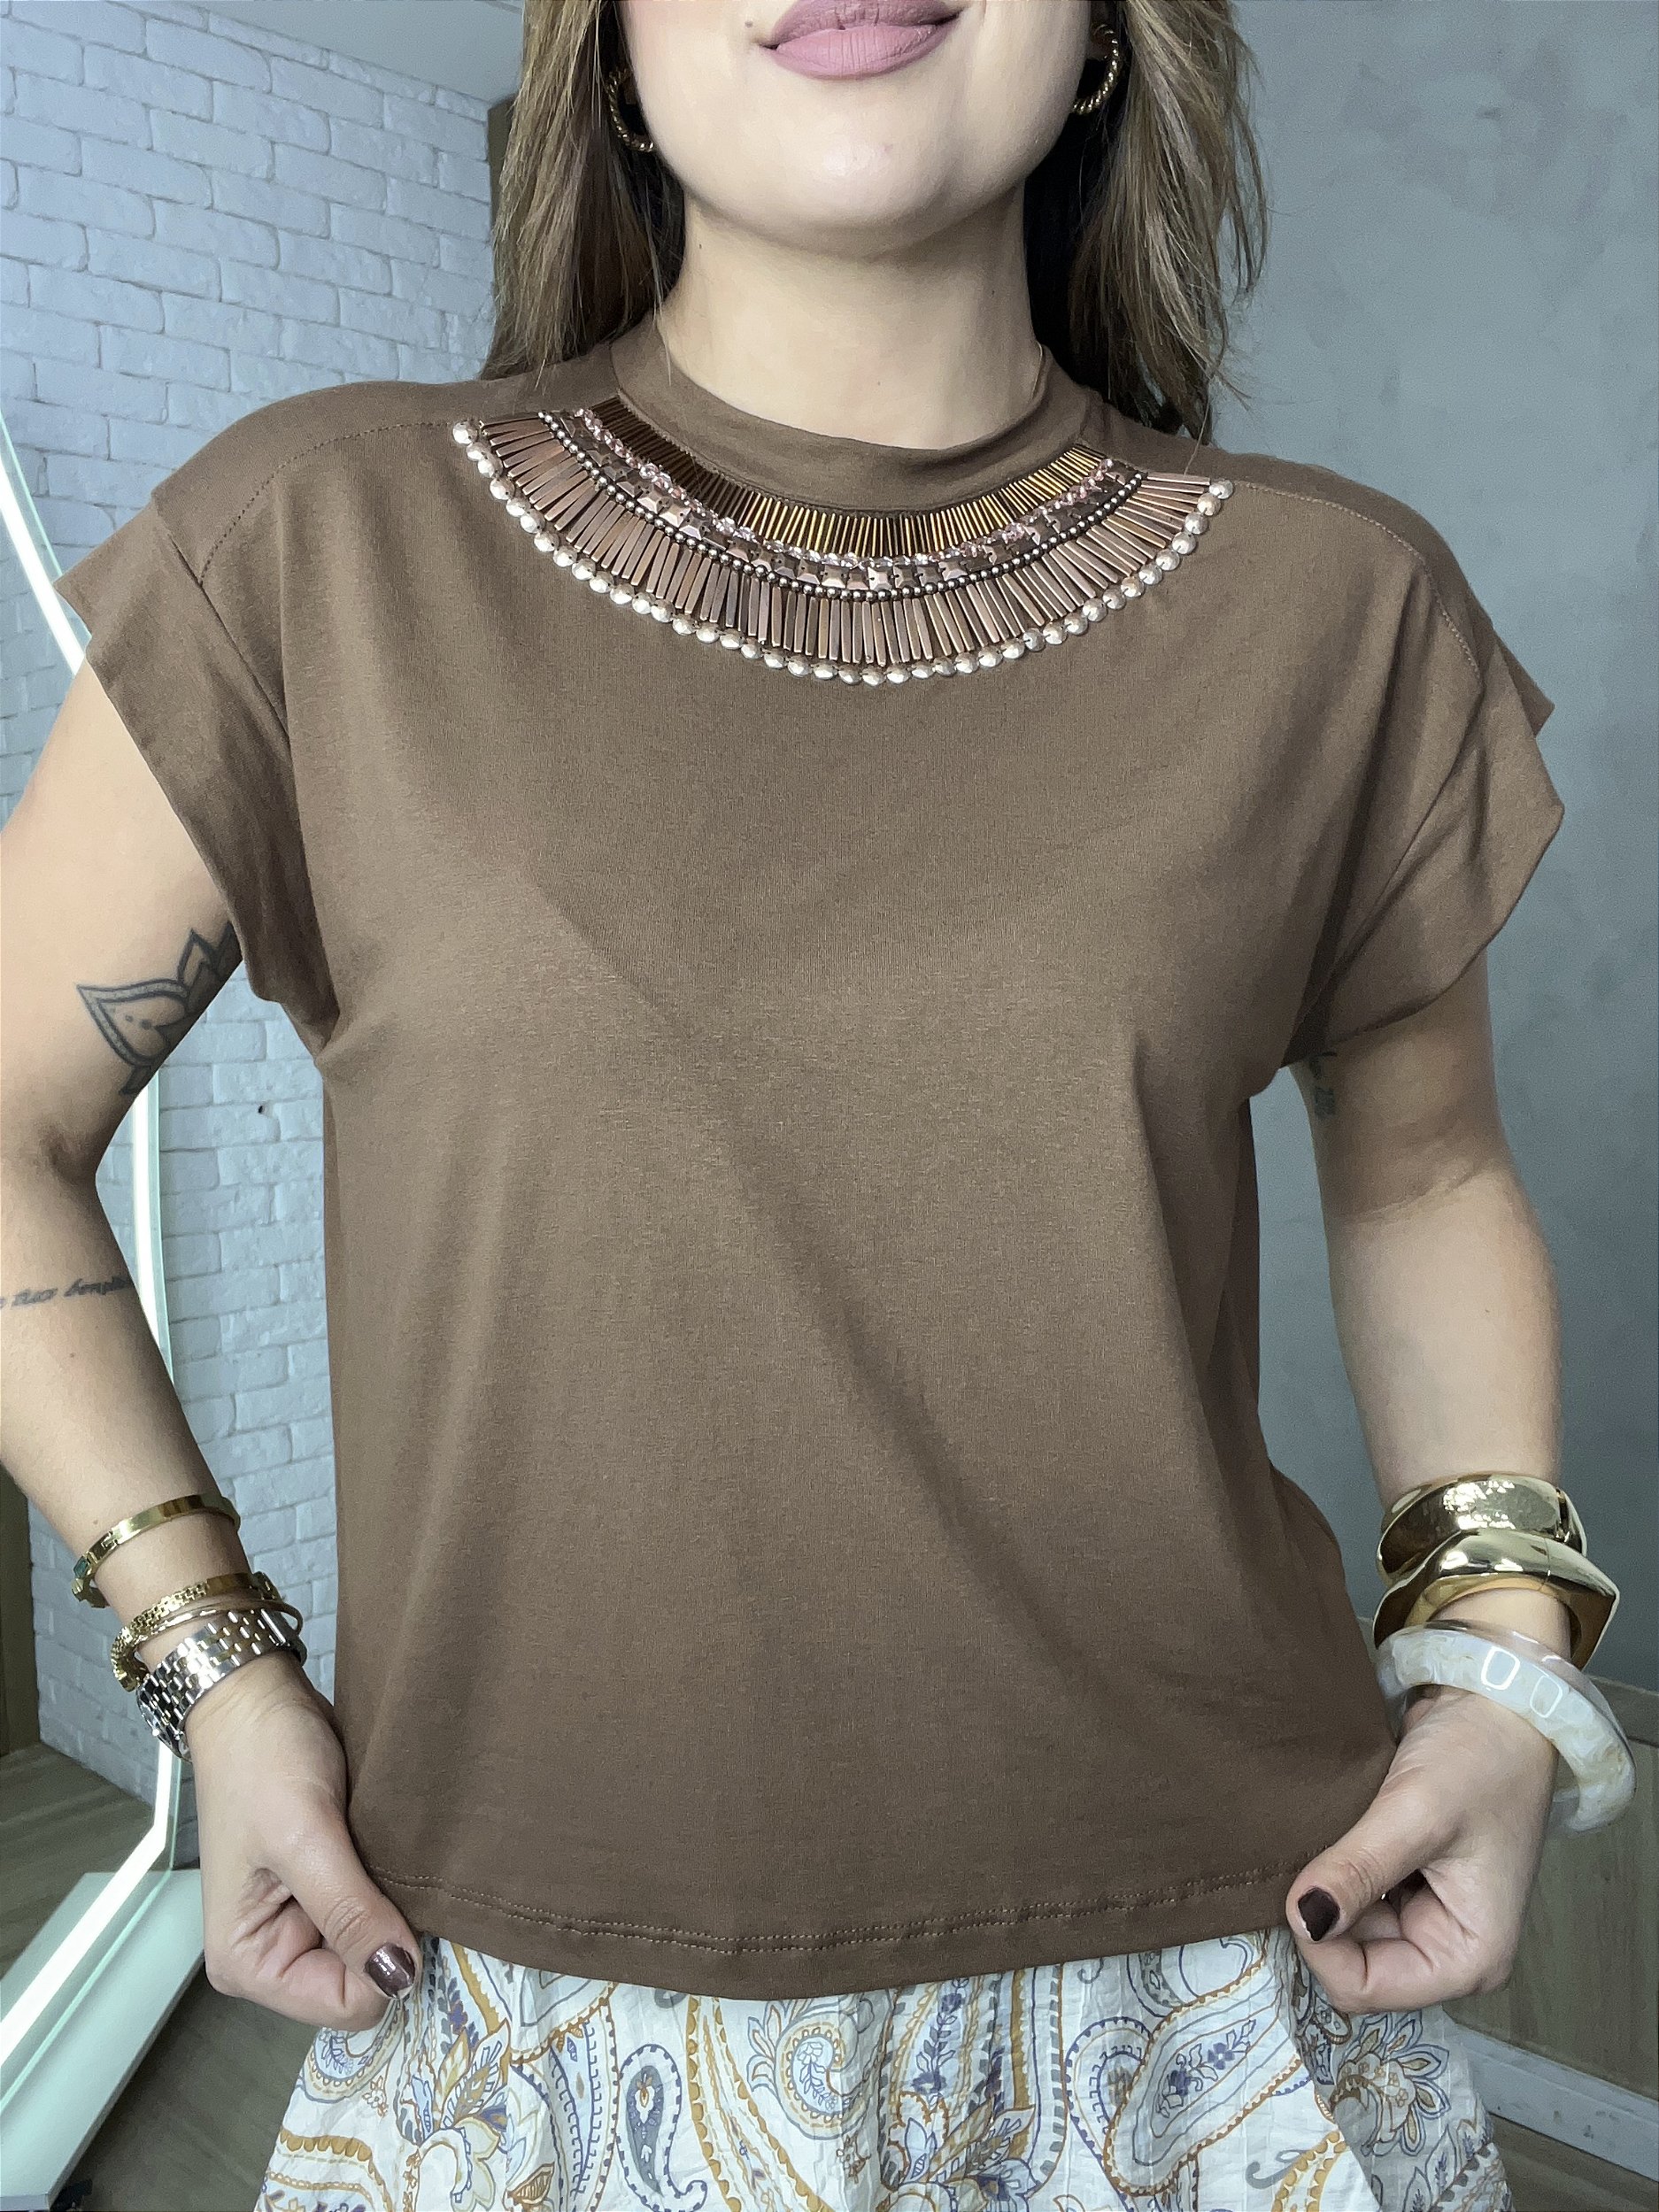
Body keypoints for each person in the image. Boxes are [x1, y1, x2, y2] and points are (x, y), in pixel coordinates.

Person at [0, 2, 1632, 2208]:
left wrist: (1507, 1665)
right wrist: (213, 1663)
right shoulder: (316, 545)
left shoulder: (1338, 604)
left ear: (1100, 46)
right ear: (604, 51)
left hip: (1221, 1982)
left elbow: (1423, 1171)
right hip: (535, 1990)